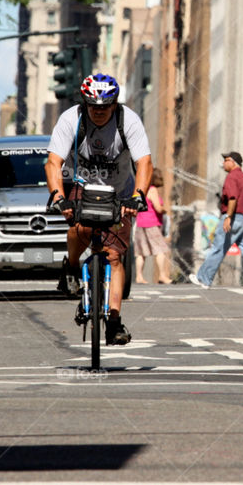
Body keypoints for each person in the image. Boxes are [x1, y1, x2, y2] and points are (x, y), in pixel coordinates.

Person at [45, 73, 153, 346]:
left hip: (120, 192)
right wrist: (58, 196)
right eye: (94, 106)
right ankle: (70, 267)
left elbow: (145, 163)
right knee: (78, 227)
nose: (100, 111)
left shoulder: (128, 120)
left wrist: (138, 196)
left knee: (114, 255)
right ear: (85, 103)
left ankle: (114, 322)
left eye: (105, 106)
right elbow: (53, 163)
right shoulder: (71, 119)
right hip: (83, 185)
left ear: (115, 104)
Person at [188, 152, 243, 290]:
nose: (223, 163)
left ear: (234, 162)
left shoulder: (231, 177)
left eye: (226, 160)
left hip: (234, 217)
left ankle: (203, 279)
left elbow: (233, 198)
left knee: (218, 248)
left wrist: (228, 217)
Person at [134, 167, 173, 284]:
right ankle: (162, 275)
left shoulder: (142, 190)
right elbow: (157, 208)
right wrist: (165, 210)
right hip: (152, 223)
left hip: (140, 223)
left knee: (141, 252)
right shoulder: (152, 190)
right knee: (160, 249)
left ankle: (139, 276)